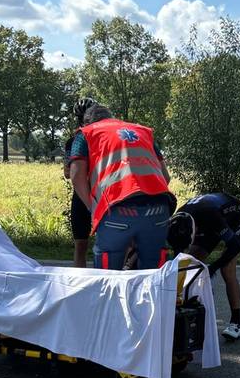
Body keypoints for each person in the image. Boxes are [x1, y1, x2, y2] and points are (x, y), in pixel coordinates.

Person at [67, 103, 173, 270]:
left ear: (87, 122)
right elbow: (165, 176)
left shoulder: (86, 133)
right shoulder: (143, 131)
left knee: (108, 277)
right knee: (154, 274)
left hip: (116, 210)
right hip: (159, 209)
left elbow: (76, 174)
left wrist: (92, 207)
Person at [167, 192, 240, 341]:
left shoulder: (210, 216)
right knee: (192, 262)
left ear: (194, 230)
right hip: (207, 220)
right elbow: (181, 254)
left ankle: (236, 323)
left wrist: (213, 268)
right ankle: (192, 313)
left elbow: (234, 247)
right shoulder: (179, 220)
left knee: (227, 269)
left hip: (234, 218)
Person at [63, 100, 94, 268]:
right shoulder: (72, 142)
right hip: (81, 196)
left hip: (100, 193)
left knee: (109, 244)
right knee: (80, 244)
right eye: (82, 119)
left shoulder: (101, 138)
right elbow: (67, 172)